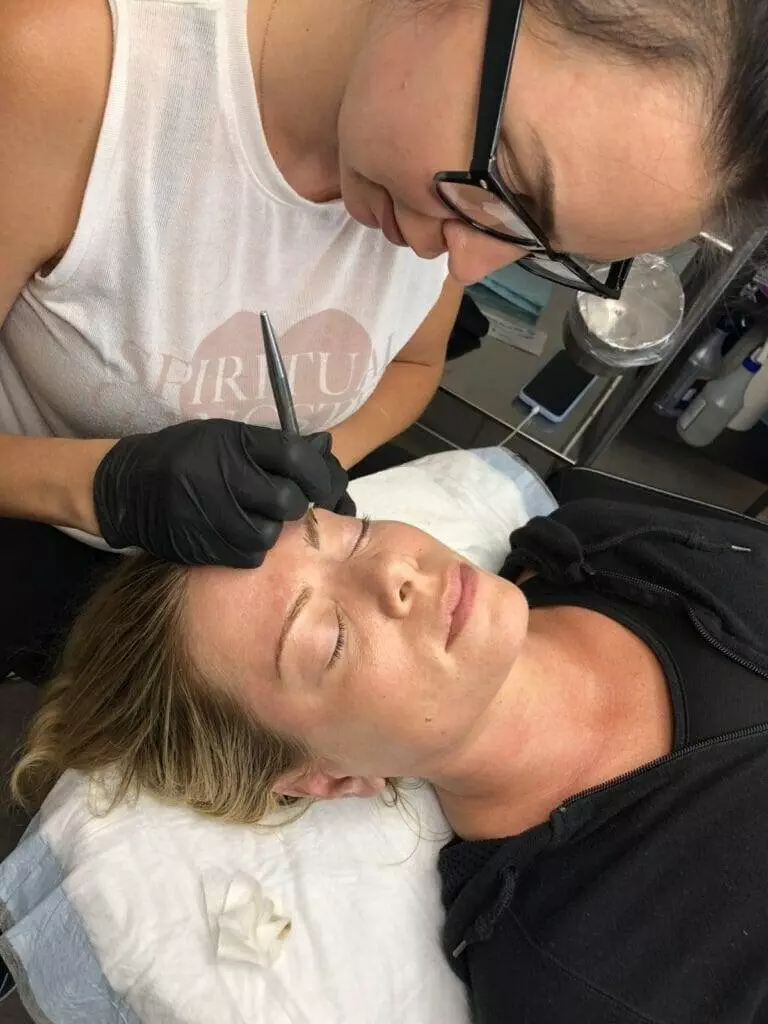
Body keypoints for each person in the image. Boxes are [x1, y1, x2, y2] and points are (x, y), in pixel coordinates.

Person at [2, 0, 768, 680]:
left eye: (540, 245)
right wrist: (99, 487)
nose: (465, 261)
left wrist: (323, 450)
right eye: (510, 175)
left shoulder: (451, 205)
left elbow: (412, 364)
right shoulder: (63, 67)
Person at [13, 496, 768, 1023]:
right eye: (327, 639)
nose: (393, 574)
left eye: (351, 535)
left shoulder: (598, 544)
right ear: (328, 776)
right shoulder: (597, 980)